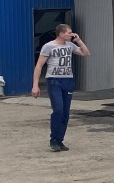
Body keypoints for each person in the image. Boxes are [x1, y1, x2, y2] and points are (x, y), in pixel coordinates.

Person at [31, 24, 89, 152]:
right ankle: (53, 139)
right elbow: (39, 66)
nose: (71, 34)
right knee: (58, 109)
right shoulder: (49, 46)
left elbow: (86, 53)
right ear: (61, 34)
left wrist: (79, 41)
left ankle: (59, 140)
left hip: (68, 80)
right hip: (54, 80)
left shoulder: (70, 46)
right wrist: (35, 86)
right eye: (69, 32)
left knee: (65, 113)